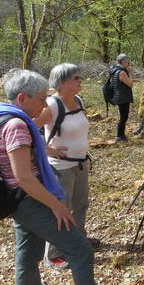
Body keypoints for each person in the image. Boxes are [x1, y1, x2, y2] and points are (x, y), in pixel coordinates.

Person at [0, 69, 100, 285]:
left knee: (28, 258)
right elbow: (23, 177)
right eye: (41, 99)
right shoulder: (16, 126)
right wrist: (57, 205)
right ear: (22, 98)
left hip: (18, 200)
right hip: (31, 201)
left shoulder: (1, 116)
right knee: (80, 249)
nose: (44, 105)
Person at [34, 64, 100, 270]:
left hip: (80, 163)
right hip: (60, 168)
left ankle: (79, 240)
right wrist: (47, 150)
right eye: (76, 78)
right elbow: (30, 128)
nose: (81, 81)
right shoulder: (52, 105)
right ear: (62, 83)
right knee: (61, 209)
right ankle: (53, 254)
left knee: (81, 205)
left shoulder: (78, 100)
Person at [109, 54, 133, 142]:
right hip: (122, 97)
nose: (129, 63)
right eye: (127, 61)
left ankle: (121, 135)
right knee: (124, 117)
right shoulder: (122, 72)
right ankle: (119, 136)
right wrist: (130, 73)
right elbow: (130, 84)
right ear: (123, 61)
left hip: (120, 96)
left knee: (123, 116)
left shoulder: (115, 70)